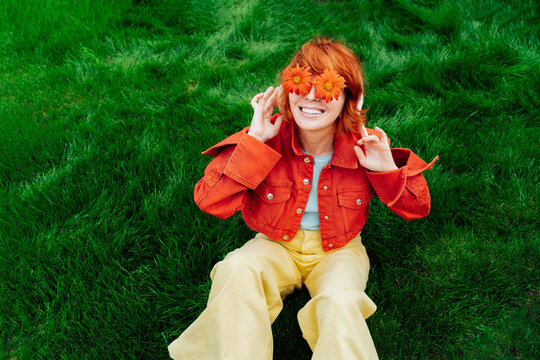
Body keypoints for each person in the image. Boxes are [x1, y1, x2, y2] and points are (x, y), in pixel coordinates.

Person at [168, 37, 438, 360]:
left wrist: (387, 170)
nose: (311, 95)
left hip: (340, 250)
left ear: (351, 97)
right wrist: (254, 142)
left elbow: (419, 206)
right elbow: (208, 200)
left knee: (340, 301)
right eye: (301, 82)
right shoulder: (267, 137)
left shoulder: (362, 146)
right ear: (287, 88)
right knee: (236, 269)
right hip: (274, 243)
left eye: (326, 86)